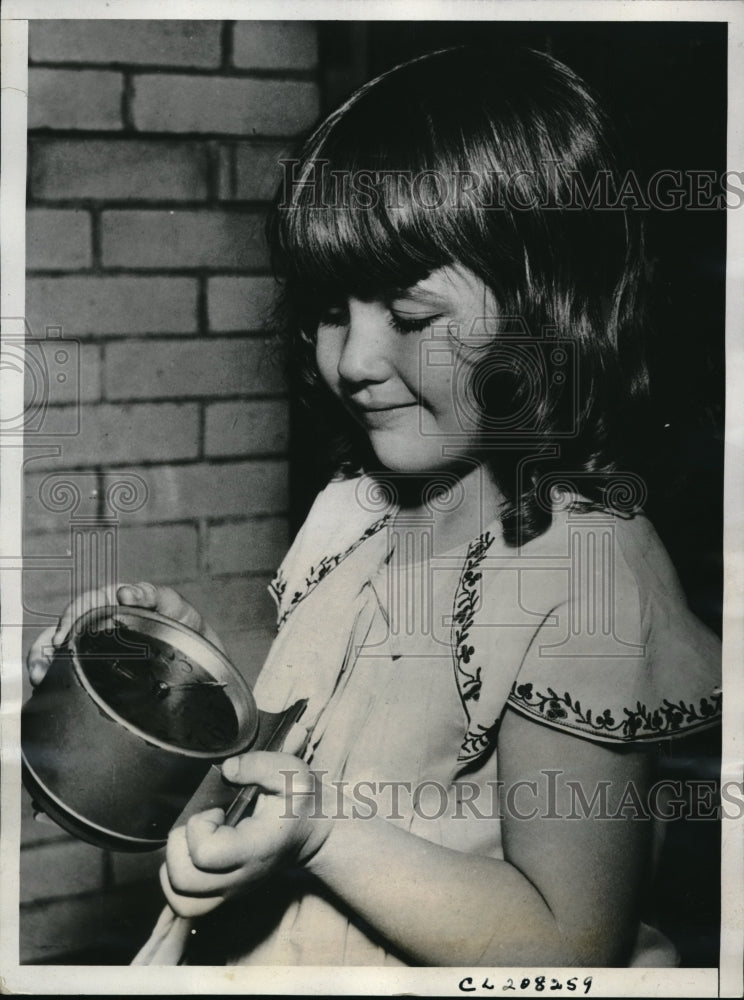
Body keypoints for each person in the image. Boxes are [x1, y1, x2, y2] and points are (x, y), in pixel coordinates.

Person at [28, 45, 722, 968]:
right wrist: (180, 696)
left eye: (410, 316)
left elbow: (573, 941)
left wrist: (320, 836)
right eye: (329, 311)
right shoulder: (356, 512)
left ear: (548, 305)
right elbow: (310, 768)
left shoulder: (584, 569)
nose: (353, 361)